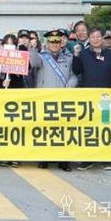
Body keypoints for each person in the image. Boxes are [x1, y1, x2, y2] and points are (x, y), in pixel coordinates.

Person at [73, 28, 111, 171]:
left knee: (105, 127)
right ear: (89, 38)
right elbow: (76, 71)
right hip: (88, 97)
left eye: (98, 36)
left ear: (102, 38)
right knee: (88, 129)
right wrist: (76, 55)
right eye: (93, 37)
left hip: (106, 98)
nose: (95, 39)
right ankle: (88, 159)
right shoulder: (83, 54)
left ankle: (106, 158)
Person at [29, 30, 78, 172]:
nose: (54, 44)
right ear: (47, 43)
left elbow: (74, 75)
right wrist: (32, 48)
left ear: (61, 43)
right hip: (45, 98)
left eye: (57, 41)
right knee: (45, 130)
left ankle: (64, 160)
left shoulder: (68, 58)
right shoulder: (41, 57)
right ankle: (44, 158)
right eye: (52, 42)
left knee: (63, 130)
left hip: (63, 99)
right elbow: (33, 62)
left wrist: (71, 83)